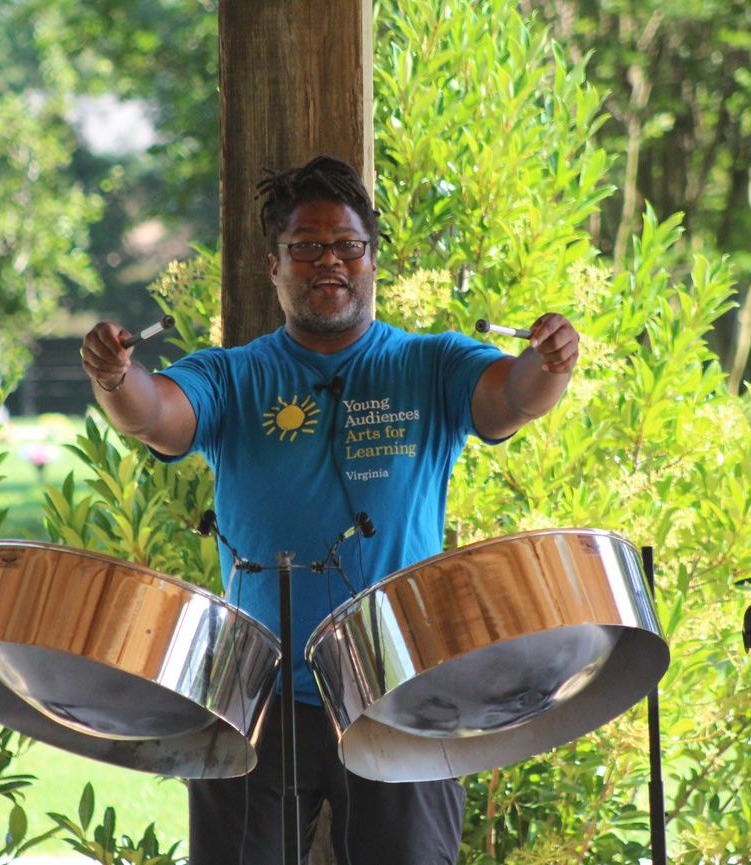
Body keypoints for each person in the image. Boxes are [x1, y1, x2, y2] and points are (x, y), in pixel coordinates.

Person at [80, 155, 579, 865]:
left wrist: (550, 364)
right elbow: (157, 414)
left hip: (403, 689)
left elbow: (510, 397)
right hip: (259, 695)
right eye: (305, 246)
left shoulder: (430, 364)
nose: (328, 262)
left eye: (346, 245)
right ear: (274, 265)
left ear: (373, 260)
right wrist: (114, 378)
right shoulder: (232, 374)